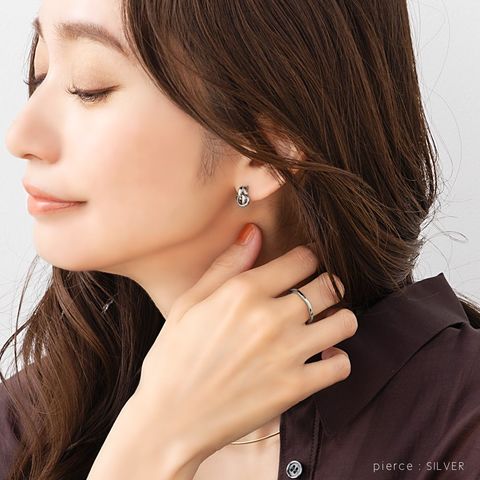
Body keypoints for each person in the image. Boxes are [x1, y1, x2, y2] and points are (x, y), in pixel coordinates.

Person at [1, 0, 479, 479]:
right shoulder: (33, 424)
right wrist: (153, 444)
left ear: (265, 149)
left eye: (88, 87)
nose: (20, 135)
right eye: (40, 74)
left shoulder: (457, 426)